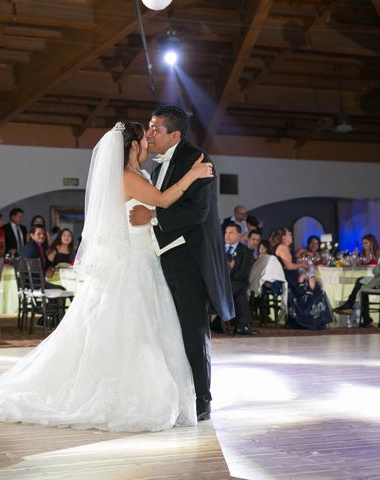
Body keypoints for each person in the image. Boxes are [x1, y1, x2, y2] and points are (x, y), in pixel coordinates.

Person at [0, 121, 213, 431]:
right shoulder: (126, 178)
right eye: (144, 139)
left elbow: (154, 209)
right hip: (131, 263)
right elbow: (161, 201)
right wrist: (192, 175)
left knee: (140, 328)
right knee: (130, 328)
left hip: (144, 259)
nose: (148, 141)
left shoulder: (139, 176)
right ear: (132, 146)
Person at [129, 106, 234, 422]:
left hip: (187, 258)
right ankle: (171, 394)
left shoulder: (197, 159)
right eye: (148, 128)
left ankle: (202, 398)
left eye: (155, 128)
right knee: (165, 330)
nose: (149, 134)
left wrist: (155, 216)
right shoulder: (150, 168)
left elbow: (198, 213)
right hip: (157, 257)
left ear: (175, 134)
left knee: (192, 329)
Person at [270, 227, 332, 330]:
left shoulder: (284, 247)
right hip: (289, 278)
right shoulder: (282, 247)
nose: (290, 234)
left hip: (290, 275)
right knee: (317, 289)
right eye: (288, 234)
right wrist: (302, 265)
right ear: (283, 237)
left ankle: (309, 317)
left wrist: (300, 265)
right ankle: (309, 319)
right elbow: (289, 267)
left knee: (312, 281)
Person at [333, 233, 380, 326]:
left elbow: (377, 270)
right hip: (379, 280)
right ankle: (363, 316)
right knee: (360, 282)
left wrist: (376, 269)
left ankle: (351, 306)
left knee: (360, 285)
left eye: (366, 243)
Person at [224, 224, 258, 335]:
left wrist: (229, 272)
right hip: (219, 283)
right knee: (239, 292)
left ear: (239, 235)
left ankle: (240, 325)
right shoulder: (218, 250)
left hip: (235, 281)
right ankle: (242, 325)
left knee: (239, 288)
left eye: (231, 233)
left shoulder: (245, 252)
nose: (227, 236)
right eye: (226, 233)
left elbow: (243, 273)